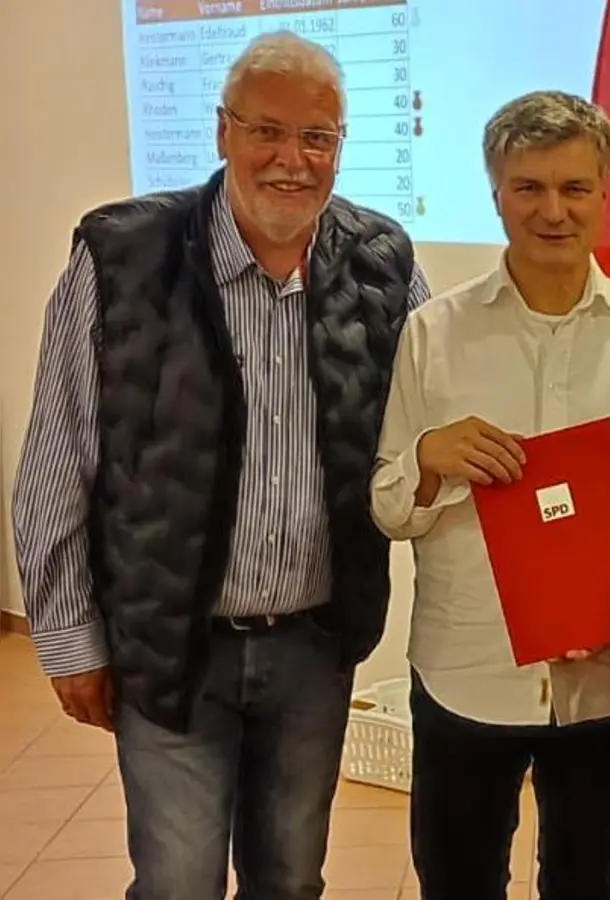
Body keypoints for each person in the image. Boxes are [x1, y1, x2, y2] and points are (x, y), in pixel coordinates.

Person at [10, 30, 429, 900]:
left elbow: (436, 414)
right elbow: (58, 458)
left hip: (316, 646)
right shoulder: (121, 259)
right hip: (171, 644)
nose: (293, 160)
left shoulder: (383, 263)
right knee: (177, 883)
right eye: (267, 131)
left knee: (290, 878)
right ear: (222, 132)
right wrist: (68, 638)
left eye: (318, 137)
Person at [370, 90, 610, 900]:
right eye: (528, 188)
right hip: (467, 671)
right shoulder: (434, 333)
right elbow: (389, 503)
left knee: (586, 882)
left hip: (604, 679)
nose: (552, 210)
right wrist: (430, 456)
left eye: (574, 188)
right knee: (456, 883)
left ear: (604, 191)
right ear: (496, 194)